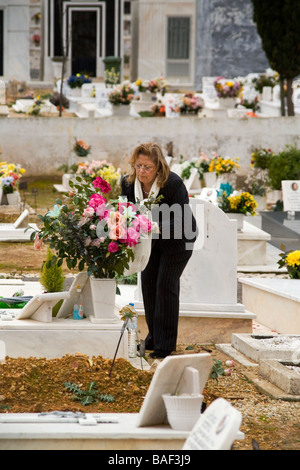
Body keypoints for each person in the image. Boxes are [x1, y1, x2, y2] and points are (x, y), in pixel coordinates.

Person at [121, 143, 197, 359]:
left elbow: (181, 217)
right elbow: (126, 211)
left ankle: (165, 345)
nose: (142, 171)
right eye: (138, 166)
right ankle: (153, 337)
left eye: (147, 167)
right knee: (148, 284)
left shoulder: (172, 183)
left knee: (165, 285)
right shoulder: (128, 184)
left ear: (158, 167)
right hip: (149, 240)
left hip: (178, 240)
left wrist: (157, 227)